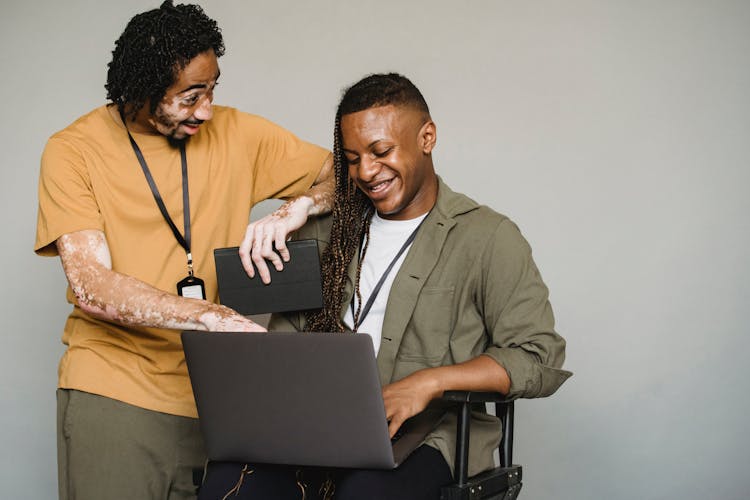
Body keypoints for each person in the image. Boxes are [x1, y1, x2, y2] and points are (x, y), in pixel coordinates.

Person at [198, 73, 572, 499]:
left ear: (427, 137)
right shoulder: (324, 234)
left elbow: (537, 357)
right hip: (317, 426)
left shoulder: (487, 238)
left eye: (381, 151)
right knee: (225, 485)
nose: (366, 171)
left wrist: (429, 383)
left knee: (366, 493)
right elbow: (286, 345)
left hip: (428, 434)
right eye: (353, 158)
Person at [34, 2, 334, 499]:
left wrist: (297, 208)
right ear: (143, 90)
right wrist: (209, 316)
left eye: (212, 88)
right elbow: (91, 284)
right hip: (114, 392)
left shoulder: (240, 133)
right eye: (190, 96)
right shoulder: (73, 150)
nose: (206, 110)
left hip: (218, 401)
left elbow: (341, 175)